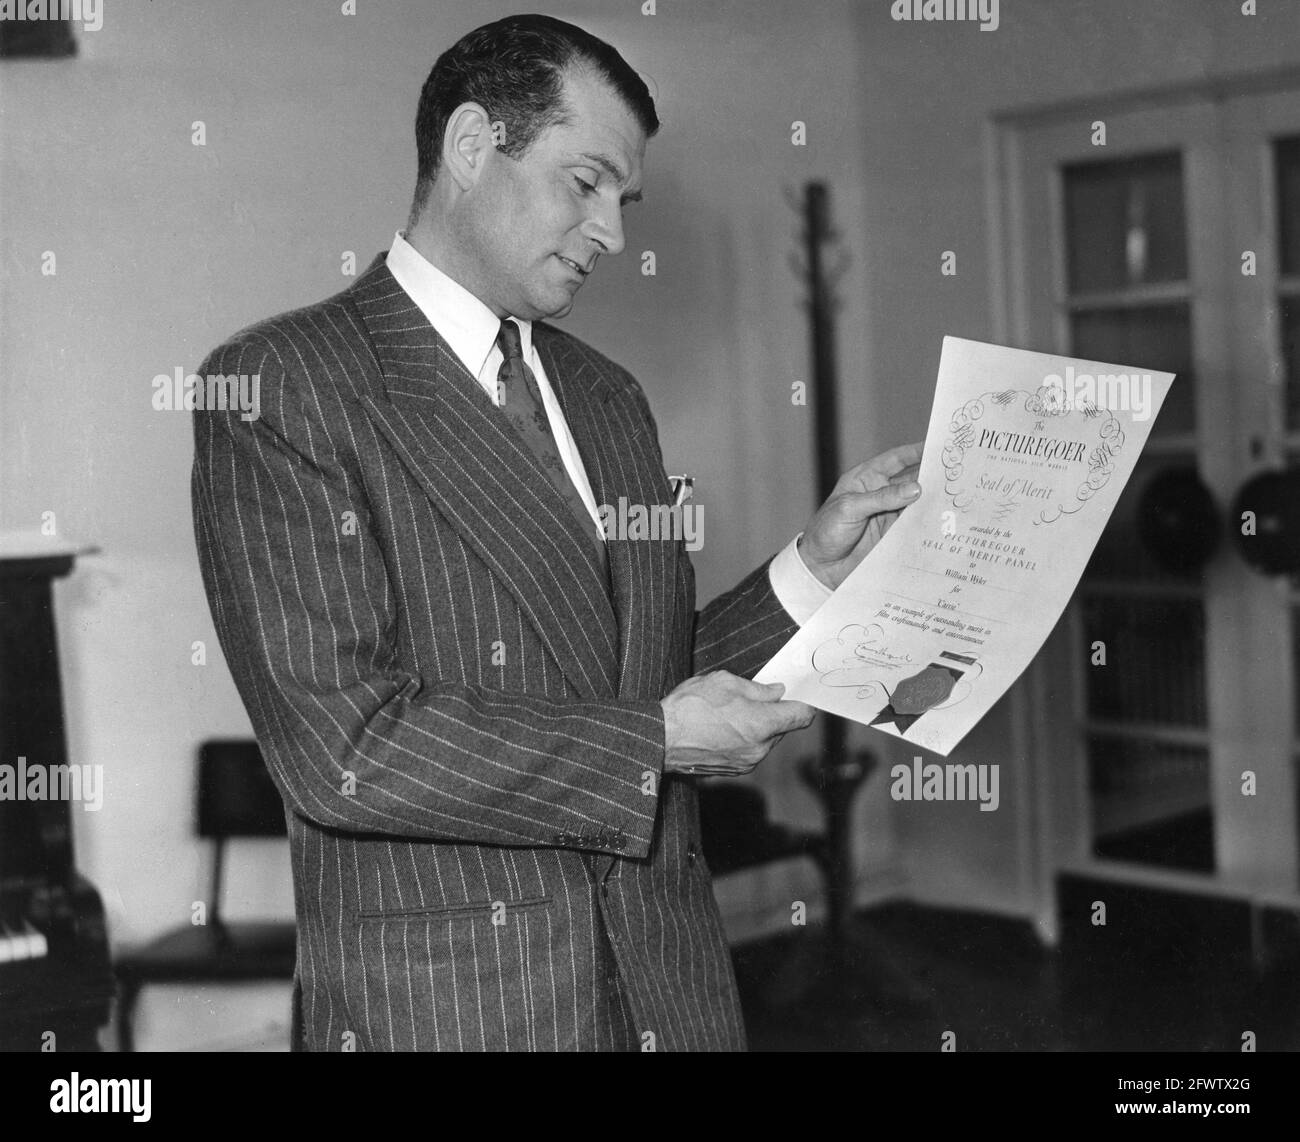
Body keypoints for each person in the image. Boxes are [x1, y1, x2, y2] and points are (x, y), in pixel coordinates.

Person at [191, 13, 921, 1052]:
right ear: (471, 144)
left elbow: (638, 682)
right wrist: (658, 739)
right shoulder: (283, 384)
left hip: (668, 989)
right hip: (454, 1007)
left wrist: (811, 570)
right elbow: (343, 746)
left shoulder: (606, 394)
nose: (613, 235)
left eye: (623, 201)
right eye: (585, 184)